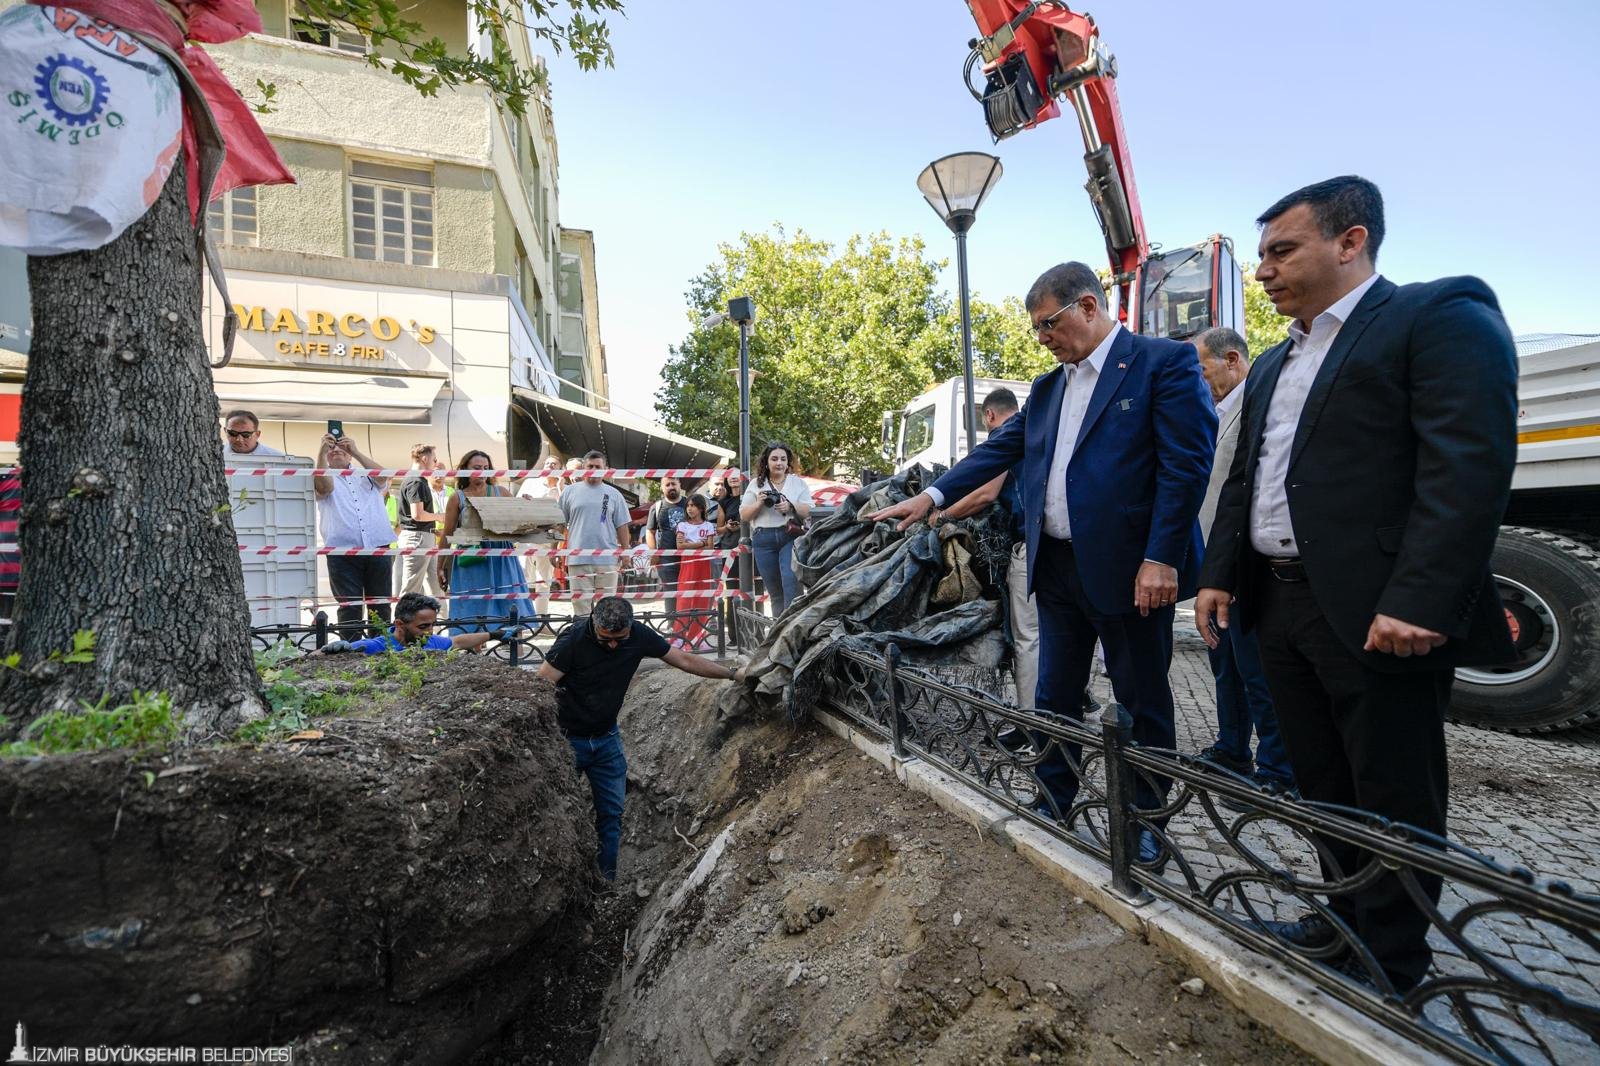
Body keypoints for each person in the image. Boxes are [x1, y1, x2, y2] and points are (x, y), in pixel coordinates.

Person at [1194, 176, 1518, 992]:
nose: (1262, 270)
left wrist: (1420, 597)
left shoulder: (1433, 315)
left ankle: (1396, 965)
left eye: (1281, 251)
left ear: (1351, 241)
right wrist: (1219, 575)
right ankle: (1342, 925)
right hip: (1278, 604)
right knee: (1321, 781)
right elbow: (1248, 480)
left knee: (1393, 790)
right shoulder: (1274, 362)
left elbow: (1466, 465)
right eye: (1261, 254)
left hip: (1376, 610)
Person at [867, 261, 1216, 869]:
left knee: (1141, 700)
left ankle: (1146, 822)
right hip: (1056, 566)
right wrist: (933, 497)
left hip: (1132, 571)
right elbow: (1003, 447)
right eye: (1036, 328)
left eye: (1048, 323)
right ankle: (1054, 800)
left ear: (1088, 306)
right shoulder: (1050, 386)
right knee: (1054, 692)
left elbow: (1186, 467)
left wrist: (1161, 557)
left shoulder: (1163, 363)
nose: (1042, 337)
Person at [536, 595, 739, 880]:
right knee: (561, 814)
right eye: (606, 639)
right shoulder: (572, 642)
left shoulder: (638, 636)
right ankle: (565, 883)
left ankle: (605, 882)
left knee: (611, 815)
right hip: (567, 741)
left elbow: (682, 659)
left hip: (606, 741)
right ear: (594, 622)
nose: (613, 645)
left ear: (630, 627)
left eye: (619, 639)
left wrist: (733, 674)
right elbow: (540, 686)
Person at [1191, 327, 1297, 800]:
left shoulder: (1259, 409)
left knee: (1257, 671)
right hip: (1216, 564)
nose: (1198, 379)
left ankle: (1278, 769)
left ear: (1232, 360)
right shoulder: (1216, 414)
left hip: (1246, 566)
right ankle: (1232, 748)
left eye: (1202, 369)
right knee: (1226, 664)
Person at [924, 388, 1039, 712]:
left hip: (1029, 546)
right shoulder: (1036, 431)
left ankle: (1034, 722)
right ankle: (1069, 710)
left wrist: (941, 515)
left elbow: (985, 494)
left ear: (989, 415)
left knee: (1029, 637)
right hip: (1054, 541)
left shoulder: (1005, 437)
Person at [439, 449, 536, 630]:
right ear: (465, 470)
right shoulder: (457, 498)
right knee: (472, 609)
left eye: (486, 467)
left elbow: (521, 522)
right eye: (477, 468)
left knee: (510, 604)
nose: (482, 472)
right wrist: (440, 567)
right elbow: (447, 534)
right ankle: (475, 645)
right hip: (471, 558)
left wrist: (526, 505)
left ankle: (513, 645)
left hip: (501, 558)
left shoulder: (501, 492)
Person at [314, 432, 394, 635]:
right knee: (350, 607)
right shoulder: (323, 474)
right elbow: (324, 488)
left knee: (381, 605)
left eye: (341, 447)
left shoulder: (364, 472)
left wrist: (356, 452)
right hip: (342, 552)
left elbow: (383, 476)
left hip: (377, 546)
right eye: (331, 448)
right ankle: (352, 648)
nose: (336, 450)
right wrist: (321, 453)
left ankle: (381, 646)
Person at [739, 442, 812, 616]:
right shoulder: (756, 484)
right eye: (774, 459)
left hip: (790, 536)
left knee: (791, 585)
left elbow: (809, 510)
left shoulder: (797, 483)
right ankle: (779, 628)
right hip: (763, 539)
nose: (779, 463)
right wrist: (758, 503)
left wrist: (791, 506)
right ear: (766, 462)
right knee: (775, 591)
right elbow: (744, 515)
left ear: (788, 462)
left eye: (783, 459)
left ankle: (792, 628)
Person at [559, 450, 632, 617]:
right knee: (581, 606)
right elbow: (559, 524)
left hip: (607, 558)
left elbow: (622, 525)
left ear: (605, 469)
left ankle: (603, 634)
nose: (593, 469)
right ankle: (584, 633)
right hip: (577, 558)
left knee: (607, 608)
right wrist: (555, 549)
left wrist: (626, 552)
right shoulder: (569, 492)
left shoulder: (614, 494)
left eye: (597, 466)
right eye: (590, 466)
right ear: (583, 468)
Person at [316, 592, 501, 655]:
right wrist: (329, 651)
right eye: (423, 626)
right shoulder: (375, 646)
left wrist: (496, 635)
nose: (430, 631)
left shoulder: (431, 642)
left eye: (432, 625)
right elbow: (314, 657)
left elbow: (458, 641)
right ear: (399, 624)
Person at [397, 444, 446, 599]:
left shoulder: (416, 480)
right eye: (434, 460)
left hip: (422, 537)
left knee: (434, 585)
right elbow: (417, 515)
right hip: (418, 538)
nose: (435, 464)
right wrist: (439, 516)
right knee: (411, 588)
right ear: (425, 459)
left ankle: (439, 614)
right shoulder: (416, 481)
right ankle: (404, 614)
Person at [518, 457, 564, 615]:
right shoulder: (530, 483)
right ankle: (520, 618)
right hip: (527, 539)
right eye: (547, 463)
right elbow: (517, 506)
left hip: (547, 541)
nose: (550, 466)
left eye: (554, 464)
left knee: (544, 582)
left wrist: (560, 488)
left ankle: (541, 619)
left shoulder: (563, 488)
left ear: (560, 469)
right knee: (522, 579)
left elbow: (564, 514)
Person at [671, 493, 717, 649]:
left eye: (693, 506)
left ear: (701, 508)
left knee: (702, 600)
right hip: (688, 564)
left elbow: (710, 547)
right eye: (688, 506)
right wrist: (700, 543)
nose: (690, 509)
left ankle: (697, 638)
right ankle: (679, 637)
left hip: (704, 565)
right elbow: (680, 546)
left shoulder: (708, 526)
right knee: (684, 600)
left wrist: (691, 544)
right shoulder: (682, 525)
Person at [645, 476, 690, 622]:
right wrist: (654, 553)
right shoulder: (657, 507)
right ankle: (672, 626)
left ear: (679, 484)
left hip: (689, 557)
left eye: (673, 484)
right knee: (671, 593)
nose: (671, 487)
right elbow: (650, 531)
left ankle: (689, 624)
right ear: (662, 488)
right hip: (666, 559)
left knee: (689, 591)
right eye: (667, 484)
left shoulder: (690, 503)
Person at [713, 468, 747, 591]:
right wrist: (727, 527)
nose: (733, 477)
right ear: (726, 479)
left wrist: (743, 526)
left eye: (736, 474)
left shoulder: (751, 497)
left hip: (749, 547)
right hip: (730, 548)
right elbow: (718, 530)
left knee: (755, 585)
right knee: (732, 588)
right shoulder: (723, 502)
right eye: (730, 475)